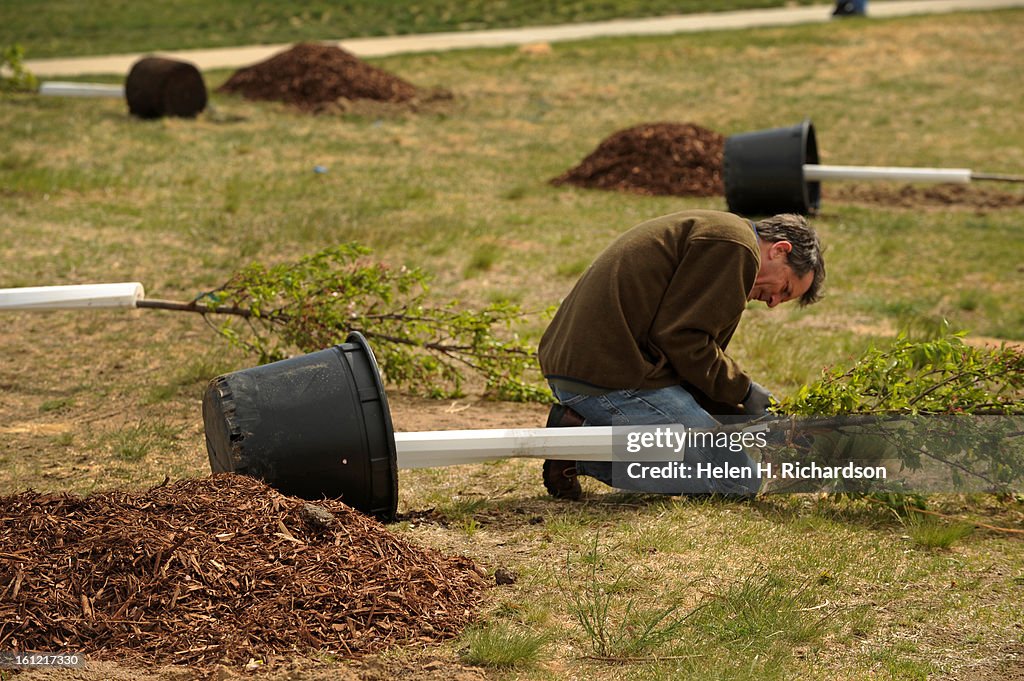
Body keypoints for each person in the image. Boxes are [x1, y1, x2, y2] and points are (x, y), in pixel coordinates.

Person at [538, 209, 825, 499]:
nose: (774, 303)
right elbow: (684, 341)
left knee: (725, 464)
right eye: (784, 289)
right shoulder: (737, 249)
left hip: (592, 365)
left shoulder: (726, 235)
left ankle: (580, 435)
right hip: (607, 376)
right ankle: (575, 450)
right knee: (737, 480)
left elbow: (682, 353)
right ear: (780, 250)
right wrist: (745, 391)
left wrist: (738, 413)